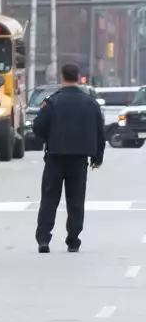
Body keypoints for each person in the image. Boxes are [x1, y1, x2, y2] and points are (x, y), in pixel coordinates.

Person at [32, 63, 105, 253]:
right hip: (79, 159)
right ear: (78, 76)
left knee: (49, 198)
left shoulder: (52, 101)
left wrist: (49, 137)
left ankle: (44, 240)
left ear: (62, 77)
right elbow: (100, 131)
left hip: (55, 157)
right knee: (75, 200)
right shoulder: (90, 103)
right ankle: (73, 239)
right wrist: (98, 157)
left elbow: (38, 127)